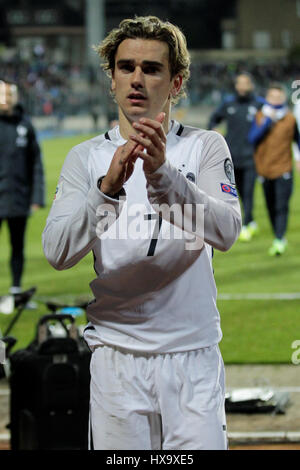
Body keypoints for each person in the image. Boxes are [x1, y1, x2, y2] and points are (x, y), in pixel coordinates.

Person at [42, 16, 241, 450]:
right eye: (126, 67)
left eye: (152, 69)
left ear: (176, 82)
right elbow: (58, 251)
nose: (137, 79)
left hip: (192, 355)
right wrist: (107, 191)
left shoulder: (205, 147)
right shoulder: (86, 159)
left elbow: (226, 232)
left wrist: (163, 176)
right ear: (111, 78)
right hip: (116, 358)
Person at [0, 78, 45, 297]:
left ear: (15, 97)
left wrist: (37, 197)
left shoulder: (25, 126)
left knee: (17, 247)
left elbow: (36, 164)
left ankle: (16, 290)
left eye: (9, 95)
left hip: (18, 198)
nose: (5, 99)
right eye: (2, 95)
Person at [208, 72, 262, 241]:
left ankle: (245, 225)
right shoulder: (228, 103)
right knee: (236, 193)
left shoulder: (259, 104)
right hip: (231, 157)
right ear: (236, 85)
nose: (242, 86)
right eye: (240, 83)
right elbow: (213, 120)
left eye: (246, 83)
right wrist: (215, 130)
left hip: (251, 157)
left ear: (251, 85)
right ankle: (250, 220)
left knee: (248, 191)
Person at [248, 82, 300, 256]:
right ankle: (278, 237)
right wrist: (267, 121)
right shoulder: (261, 116)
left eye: (279, 96)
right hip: (264, 170)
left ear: (284, 98)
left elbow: (297, 141)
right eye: (272, 96)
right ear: (267, 98)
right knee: (270, 206)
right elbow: (252, 138)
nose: (276, 99)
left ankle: (279, 238)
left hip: (284, 169)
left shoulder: (290, 119)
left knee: (281, 205)